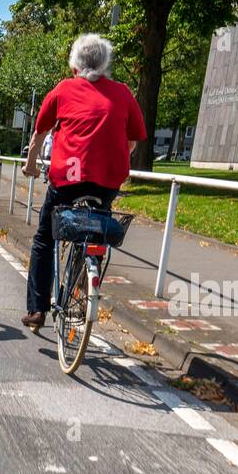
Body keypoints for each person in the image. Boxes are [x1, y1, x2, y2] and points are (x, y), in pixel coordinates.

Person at [21, 34, 146, 330]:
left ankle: (37, 309)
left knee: (44, 238)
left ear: (75, 64)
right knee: (96, 230)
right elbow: (134, 139)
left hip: (69, 179)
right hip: (107, 181)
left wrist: (30, 164)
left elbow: (40, 132)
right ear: (105, 64)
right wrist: (116, 157)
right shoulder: (123, 93)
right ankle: (83, 287)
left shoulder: (64, 89)